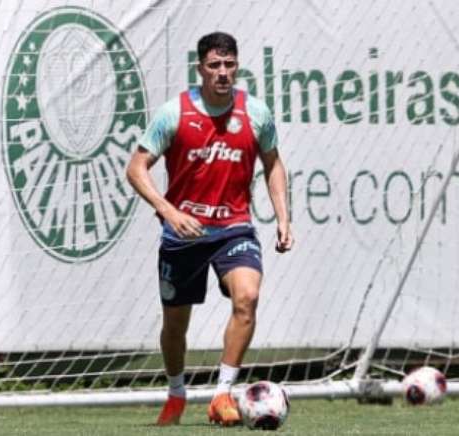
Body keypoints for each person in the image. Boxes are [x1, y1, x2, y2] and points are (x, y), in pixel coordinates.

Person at [126, 31, 293, 427]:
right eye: (214, 65)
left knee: (247, 298)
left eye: (229, 64)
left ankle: (222, 394)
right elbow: (136, 169)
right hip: (184, 235)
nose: (222, 73)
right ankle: (176, 393)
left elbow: (273, 163)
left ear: (237, 66)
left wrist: (284, 217)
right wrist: (167, 210)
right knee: (175, 326)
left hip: (234, 228)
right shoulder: (174, 113)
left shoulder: (255, 113)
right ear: (200, 68)